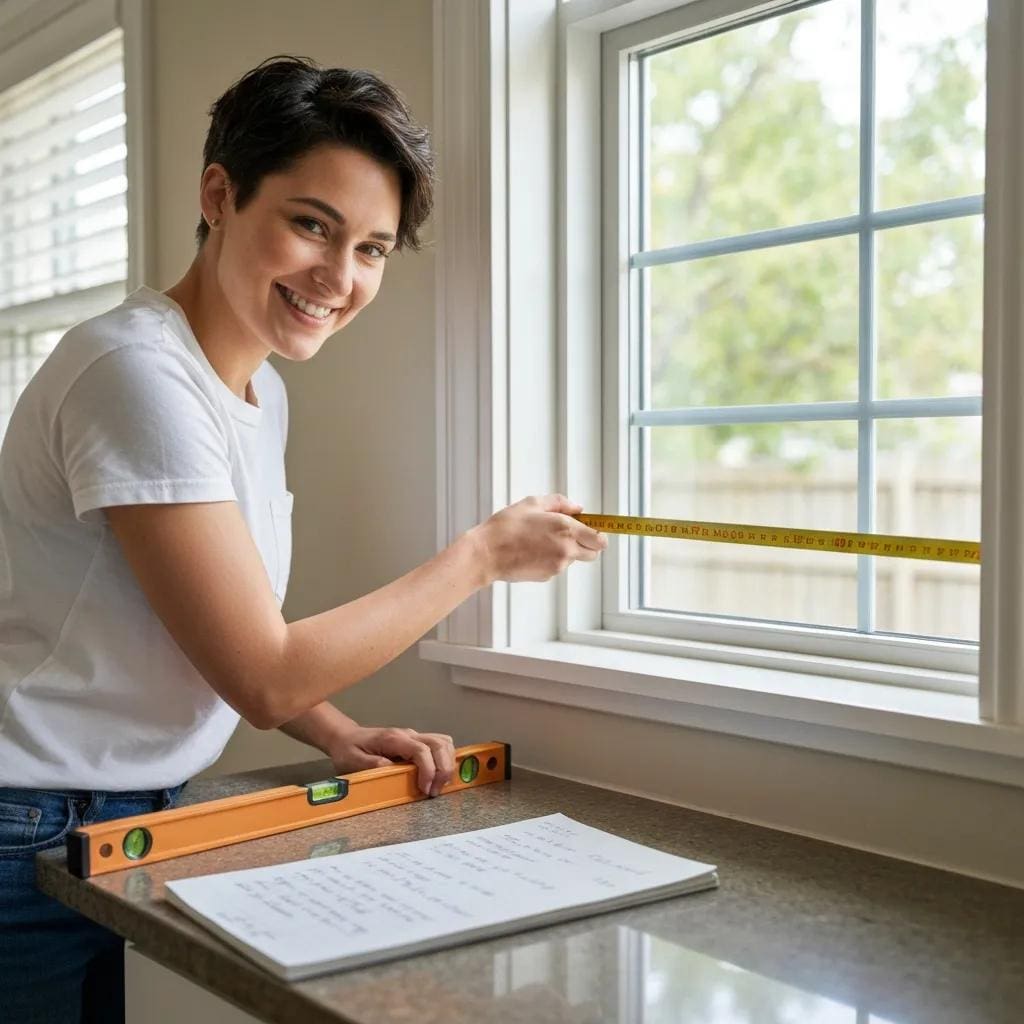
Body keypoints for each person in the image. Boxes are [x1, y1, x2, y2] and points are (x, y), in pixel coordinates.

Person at [0, 56, 606, 1023]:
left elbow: (216, 626)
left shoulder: (256, 389)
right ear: (219, 195)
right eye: (313, 225)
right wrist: (482, 557)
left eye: (372, 248)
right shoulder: (135, 375)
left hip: (126, 817)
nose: (339, 276)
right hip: (27, 823)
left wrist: (337, 731)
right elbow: (263, 674)